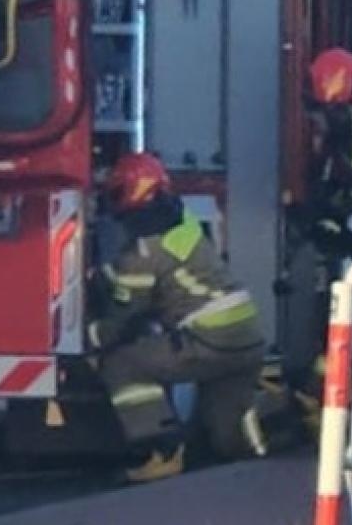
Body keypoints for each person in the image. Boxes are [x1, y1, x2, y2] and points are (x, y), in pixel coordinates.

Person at [88, 153, 268, 483]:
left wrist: (92, 336)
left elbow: (126, 316)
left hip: (209, 340)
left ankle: (163, 452)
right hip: (247, 337)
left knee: (122, 363)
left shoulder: (143, 251)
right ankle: (287, 416)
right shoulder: (184, 222)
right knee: (226, 442)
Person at [290, 48, 352, 426]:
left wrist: (343, 231)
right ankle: (322, 404)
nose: (319, 124)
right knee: (336, 323)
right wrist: (318, 215)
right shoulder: (338, 143)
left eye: (325, 115)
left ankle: (329, 407)